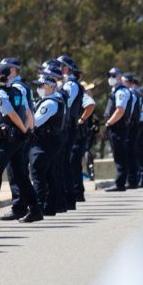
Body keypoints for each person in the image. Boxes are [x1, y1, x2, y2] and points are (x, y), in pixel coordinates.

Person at [0, 63, 40, 223]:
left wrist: (24, 130)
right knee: (21, 176)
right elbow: (27, 113)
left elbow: (12, 114)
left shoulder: (0, 94)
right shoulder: (18, 91)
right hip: (18, 139)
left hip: (7, 140)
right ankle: (35, 209)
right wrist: (28, 130)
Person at [29, 74, 65, 216]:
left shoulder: (49, 103)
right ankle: (50, 206)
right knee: (49, 174)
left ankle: (37, 207)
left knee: (38, 173)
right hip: (51, 141)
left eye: (41, 86)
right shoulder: (54, 99)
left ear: (50, 86)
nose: (38, 89)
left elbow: (35, 122)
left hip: (45, 142)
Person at [57, 56, 84, 204]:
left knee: (65, 163)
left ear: (66, 68)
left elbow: (65, 103)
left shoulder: (70, 85)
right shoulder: (68, 84)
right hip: (68, 126)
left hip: (69, 127)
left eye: (60, 66)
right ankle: (68, 197)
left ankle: (69, 197)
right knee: (64, 162)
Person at [103, 68, 130, 192]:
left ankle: (120, 183)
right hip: (115, 127)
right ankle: (120, 182)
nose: (110, 77)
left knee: (120, 156)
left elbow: (120, 111)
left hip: (118, 128)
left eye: (113, 75)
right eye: (109, 75)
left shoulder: (121, 92)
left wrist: (108, 123)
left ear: (120, 77)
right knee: (118, 155)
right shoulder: (115, 90)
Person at [74, 84, 97, 199]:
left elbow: (91, 104)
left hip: (79, 134)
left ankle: (78, 192)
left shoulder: (81, 95)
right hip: (78, 133)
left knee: (75, 162)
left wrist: (81, 120)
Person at [121, 74, 142, 190]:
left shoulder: (131, 93)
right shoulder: (136, 93)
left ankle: (132, 180)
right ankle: (133, 180)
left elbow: (131, 110)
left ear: (129, 82)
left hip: (132, 126)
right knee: (131, 154)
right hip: (134, 125)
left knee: (130, 154)